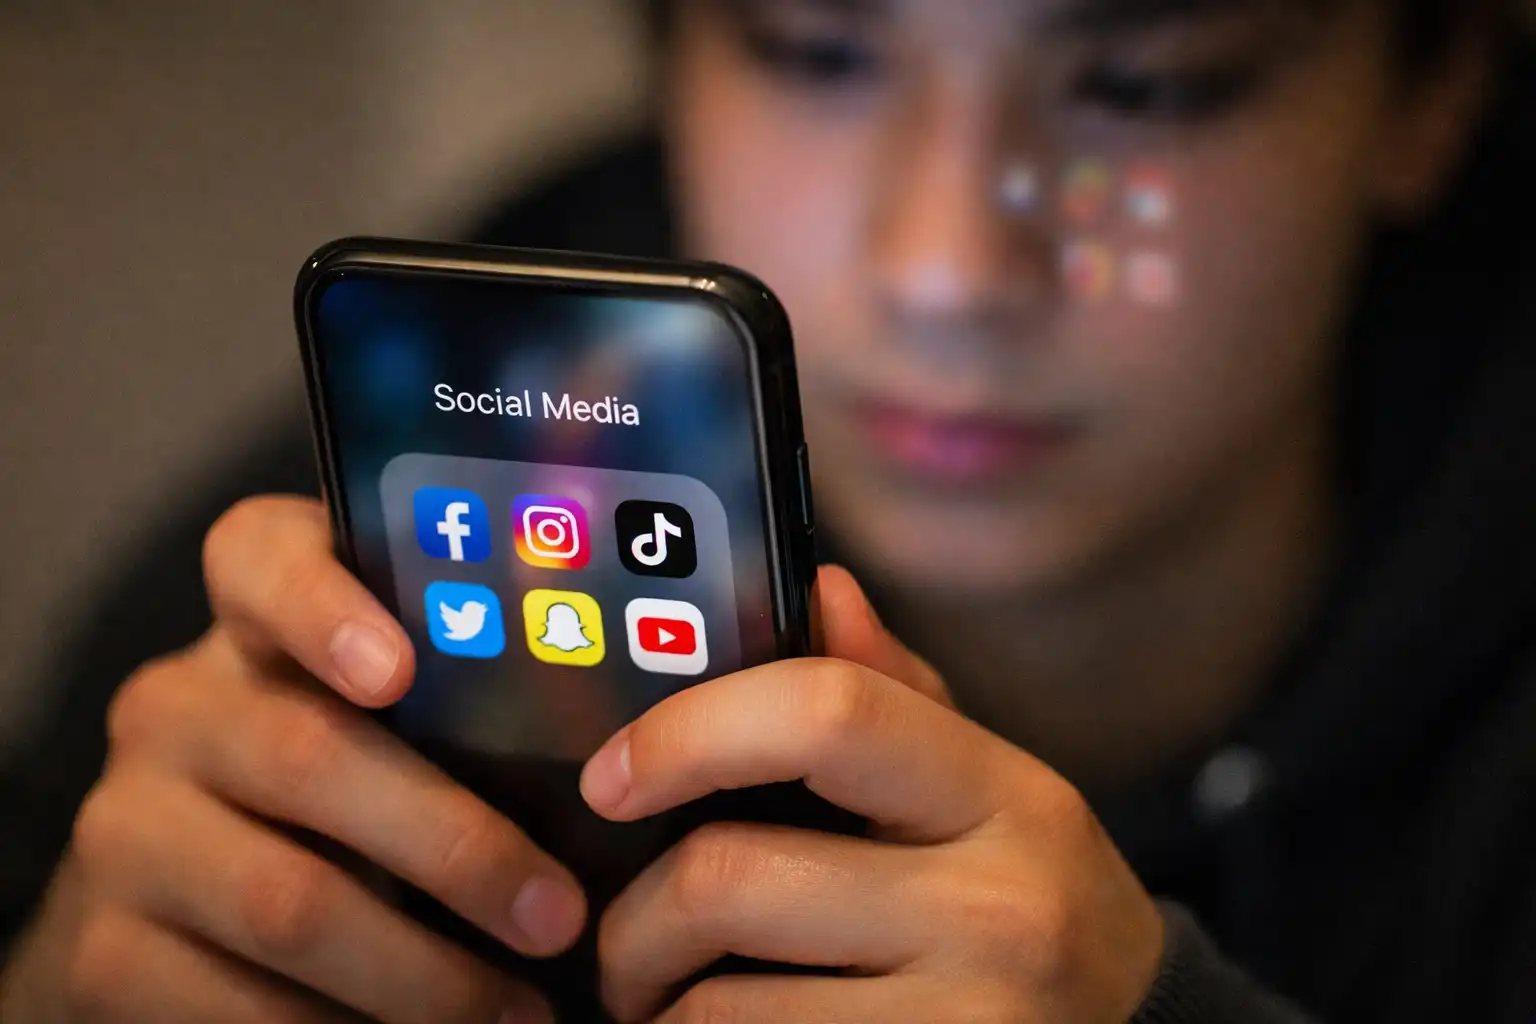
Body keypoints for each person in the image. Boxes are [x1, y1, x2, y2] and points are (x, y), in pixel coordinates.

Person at [3, 0, 1534, 1019]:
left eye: (1143, 85)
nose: (943, 264)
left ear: (1437, 92)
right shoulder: (442, 427)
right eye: (817, 54)